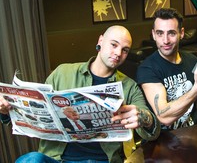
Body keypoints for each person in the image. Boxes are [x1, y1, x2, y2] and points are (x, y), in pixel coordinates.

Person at [0, 25, 160, 163]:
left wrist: (144, 118)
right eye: (113, 45)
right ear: (100, 41)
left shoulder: (129, 86)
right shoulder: (62, 73)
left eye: (125, 50)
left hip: (103, 160)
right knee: (31, 159)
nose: (118, 53)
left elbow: (153, 130)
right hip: (59, 159)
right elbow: (31, 114)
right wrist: (6, 111)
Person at [136, 8, 197, 131]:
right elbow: (164, 116)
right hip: (163, 140)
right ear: (153, 34)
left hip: (192, 133)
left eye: (171, 33)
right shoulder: (147, 68)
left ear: (181, 33)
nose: (165, 40)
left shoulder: (192, 60)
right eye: (160, 33)